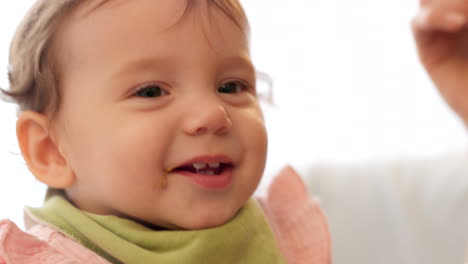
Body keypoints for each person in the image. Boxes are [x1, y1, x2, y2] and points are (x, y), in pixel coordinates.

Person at [0, 0, 332, 263]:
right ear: (52, 151)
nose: (213, 114)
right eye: (151, 92)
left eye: (231, 86)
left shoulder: (287, 241)